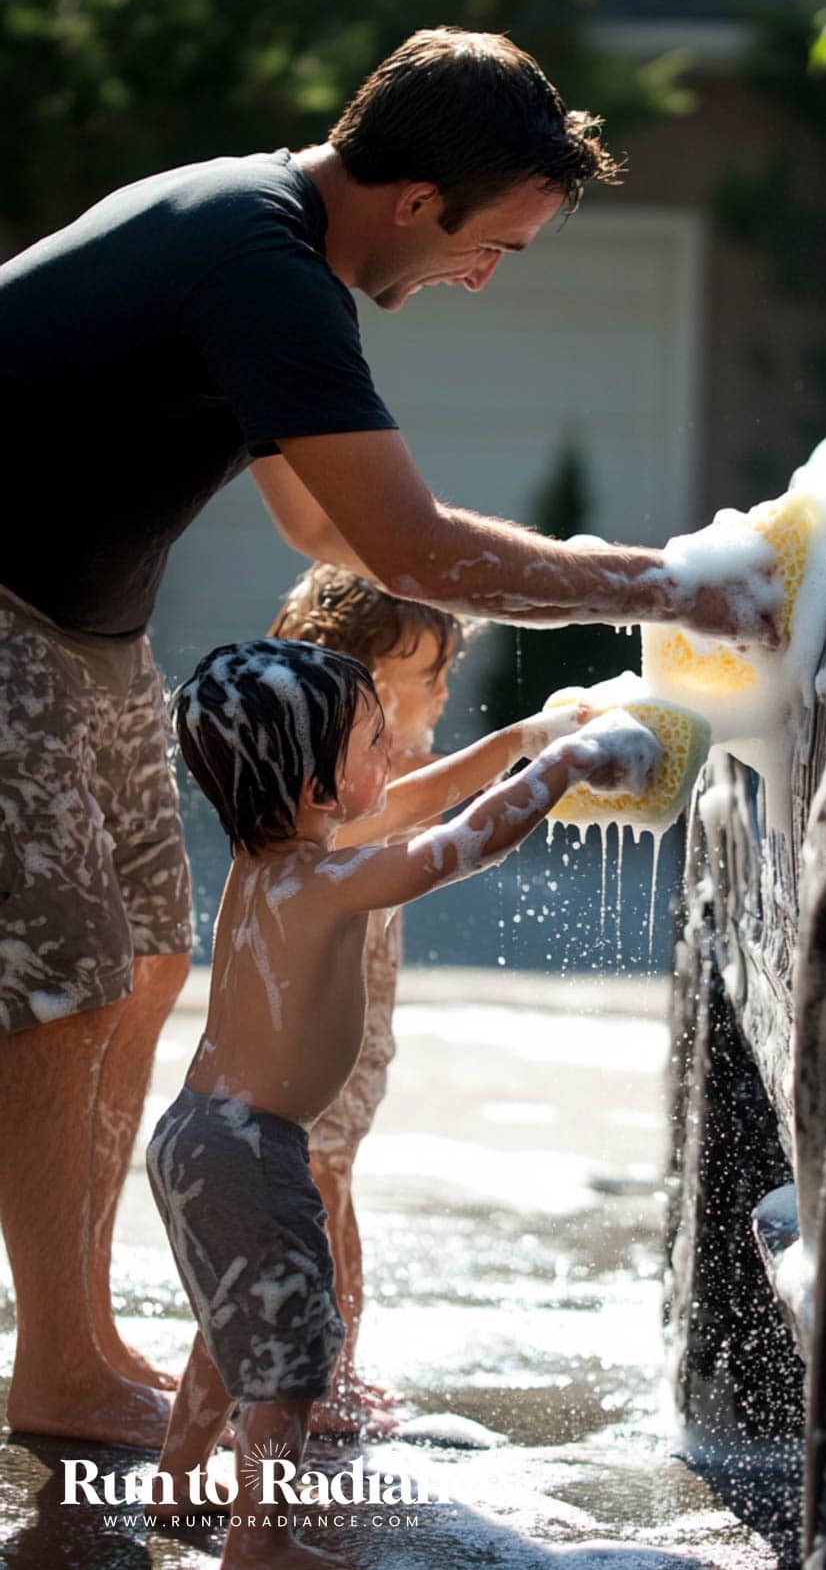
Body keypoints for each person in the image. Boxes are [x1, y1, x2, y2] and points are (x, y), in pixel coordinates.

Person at [0, 25, 779, 1448]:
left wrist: (529, 654)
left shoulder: (259, 242)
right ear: (420, 202)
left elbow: (326, 528)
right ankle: (60, 1360)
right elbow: (405, 542)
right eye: (497, 246)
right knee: (59, 984)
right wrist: (669, 586)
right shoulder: (260, 259)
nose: (483, 277)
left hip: (84, 629)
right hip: (7, 619)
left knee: (150, 955)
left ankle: (78, 1332)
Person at [144, 636, 654, 1566]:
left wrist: (522, 737)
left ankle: (177, 1488)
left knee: (233, 1325)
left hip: (196, 1134)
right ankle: (260, 1545)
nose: (394, 758)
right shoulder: (325, 878)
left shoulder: (280, 861)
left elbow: (417, 803)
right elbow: (451, 848)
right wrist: (565, 770)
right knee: (291, 1353)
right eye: (373, 743)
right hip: (248, 1146)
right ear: (316, 792)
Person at [268, 565, 496, 1435]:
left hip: (357, 1022)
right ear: (353, 688)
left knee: (333, 1175)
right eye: (428, 676)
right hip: (309, 1030)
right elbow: (419, 810)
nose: (445, 692)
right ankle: (311, 1381)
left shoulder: (374, 764)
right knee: (316, 1181)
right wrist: (519, 757)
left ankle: (332, 1370)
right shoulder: (320, 793)